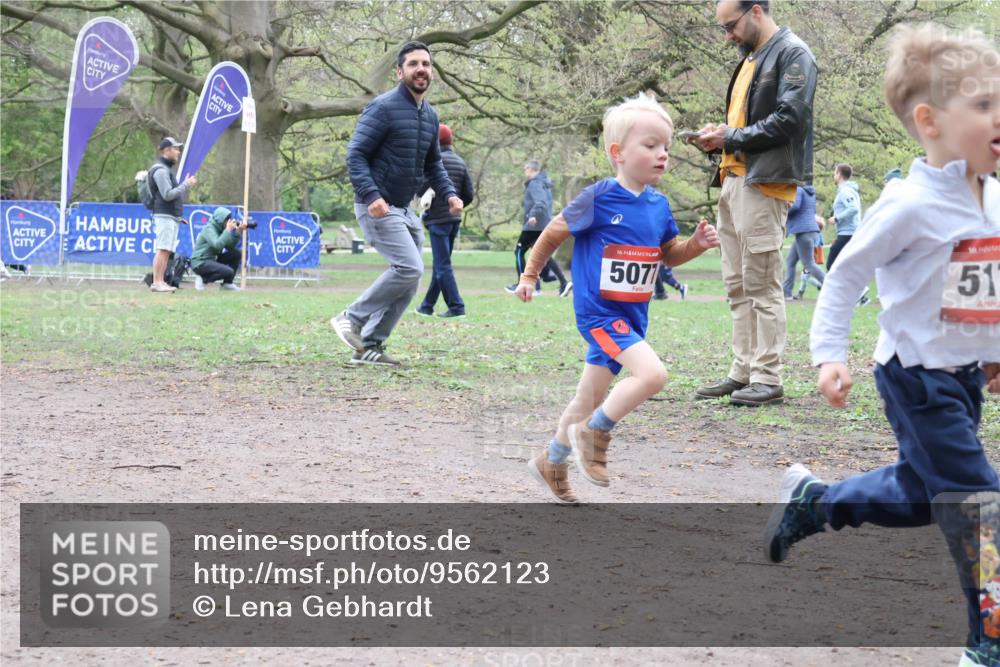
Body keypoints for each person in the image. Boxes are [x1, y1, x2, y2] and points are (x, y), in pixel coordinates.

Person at [763, 24, 1000, 667]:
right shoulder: (907, 205)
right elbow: (843, 277)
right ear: (930, 120)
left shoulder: (993, 197)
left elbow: (981, 282)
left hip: (962, 378)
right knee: (980, 500)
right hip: (916, 380)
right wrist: (828, 354)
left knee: (922, 495)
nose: (999, 116)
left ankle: (816, 505)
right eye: (984, 106)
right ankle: (989, 640)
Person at [517, 93, 719, 504]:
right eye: (650, 146)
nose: (663, 155)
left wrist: (695, 245)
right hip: (600, 314)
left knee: (587, 397)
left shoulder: (659, 206)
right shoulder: (598, 197)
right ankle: (594, 433)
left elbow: (668, 256)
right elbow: (553, 233)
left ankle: (552, 461)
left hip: (631, 317)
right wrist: (529, 274)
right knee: (653, 376)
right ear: (618, 153)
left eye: (666, 147)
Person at [692, 0, 818, 407]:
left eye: (731, 25)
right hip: (734, 180)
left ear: (757, 10)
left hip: (765, 183)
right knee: (737, 284)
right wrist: (721, 137)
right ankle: (742, 371)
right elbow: (748, 124)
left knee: (762, 282)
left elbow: (790, 119)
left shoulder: (793, 53)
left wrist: (732, 136)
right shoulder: (750, 59)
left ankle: (768, 376)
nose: (728, 35)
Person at [334, 41, 463, 365]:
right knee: (409, 267)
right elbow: (356, 155)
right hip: (377, 205)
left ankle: (370, 346)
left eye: (426, 64)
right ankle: (351, 317)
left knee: (410, 278)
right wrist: (372, 195)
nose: (421, 69)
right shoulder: (383, 107)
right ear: (400, 71)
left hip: (405, 208)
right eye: (414, 64)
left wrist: (449, 194)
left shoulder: (430, 116)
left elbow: (434, 164)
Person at [415, 123, 475, 318]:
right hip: (453, 219)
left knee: (442, 266)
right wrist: (456, 207)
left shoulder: (432, 162)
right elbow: (469, 194)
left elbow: (420, 189)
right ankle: (427, 306)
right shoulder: (459, 162)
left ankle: (457, 307)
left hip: (437, 220)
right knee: (442, 263)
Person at [504, 160, 572, 298]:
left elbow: (540, 202)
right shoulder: (544, 183)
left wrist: (533, 215)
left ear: (530, 169)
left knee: (518, 251)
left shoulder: (535, 183)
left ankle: (520, 283)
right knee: (544, 254)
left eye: (525, 168)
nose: (524, 171)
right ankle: (563, 282)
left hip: (533, 225)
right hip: (543, 223)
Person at [149, 137, 196, 293]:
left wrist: (177, 216)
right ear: (166, 150)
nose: (178, 152)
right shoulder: (161, 171)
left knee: (167, 250)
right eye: (175, 149)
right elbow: (167, 195)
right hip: (164, 216)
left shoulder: (166, 169)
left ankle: (161, 281)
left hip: (170, 216)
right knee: (163, 249)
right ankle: (157, 282)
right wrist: (185, 185)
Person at [782, 185, 825, 299]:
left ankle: (831, 287)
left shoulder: (799, 190)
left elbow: (796, 207)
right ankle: (786, 293)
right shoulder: (810, 192)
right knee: (790, 260)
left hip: (804, 232)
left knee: (809, 264)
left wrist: (783, 209)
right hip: (809, 230)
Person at [190, 207, 247, 291]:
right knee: (229, 271)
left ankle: (227, 283)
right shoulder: (209, 229)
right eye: (227, 220)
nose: (229, 222)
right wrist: (227, 230)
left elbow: (229, 247)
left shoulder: (221, 229)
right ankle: (203, 278)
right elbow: (217, 245)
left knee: (236, 253)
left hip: (212, 259)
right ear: (220, 219)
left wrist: (238, 232)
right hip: (200, 262)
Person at [825, 163, 862, 270]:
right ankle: (859, 286)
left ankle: (860, 287)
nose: (833, 175)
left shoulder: (845, 191)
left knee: (832, 266)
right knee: (843, 266)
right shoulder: (845, 191)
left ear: (839, 175)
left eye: (835, 173)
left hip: (848, 234)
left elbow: (853, 208)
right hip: (846, 233)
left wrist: (836, 218)